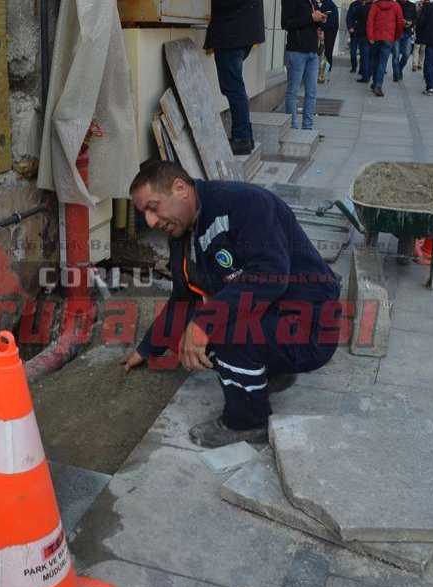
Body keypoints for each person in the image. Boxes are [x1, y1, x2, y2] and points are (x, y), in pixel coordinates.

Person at [123, 162, 341, 447]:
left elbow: (270, 276)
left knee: (219, 330)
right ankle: (269, 372)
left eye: (154, 207)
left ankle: (247, 423)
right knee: (191, 332)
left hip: (309, 327)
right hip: (277, 317)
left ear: (180, 188)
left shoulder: (245, 203)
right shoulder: (183, 234)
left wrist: (204, 323)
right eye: (144, 214)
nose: (150, 222)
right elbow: (183, 298)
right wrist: (147, 348)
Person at [205, 0, 266, 156]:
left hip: (231, 33)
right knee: (236, 87)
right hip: (242, 33)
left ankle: (241, 138)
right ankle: (246, 136)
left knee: (233, 88)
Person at [283, 0, 328, 129]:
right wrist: (311, 17)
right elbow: (286, 23)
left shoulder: (312, 1)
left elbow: (311, 23)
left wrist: (320, 20)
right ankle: (292, 127)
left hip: (312, 52)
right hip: (296, 51)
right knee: (293, 91)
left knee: (312, 92)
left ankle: (307, 127)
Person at [367, 0, 405, 96]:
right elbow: (400, 23)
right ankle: (378, 85)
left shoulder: (375, 5)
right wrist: (396, 36)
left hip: (375, 37)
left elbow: (370, 21)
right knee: (382, 63)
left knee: (375, 61)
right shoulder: (396, 6)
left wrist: (370, 36)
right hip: (388, 37)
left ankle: (375, 83)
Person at [392, 0, 418, 81]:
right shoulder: (394, 4)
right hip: (396, 33)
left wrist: (411, 23)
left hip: (407, 33)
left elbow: (415, 19)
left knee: (406, 54)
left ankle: (399, 69)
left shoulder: (412, 5)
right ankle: (396, 74)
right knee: (396, 55)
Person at [318, 0, 340, 82]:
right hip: (331, 31)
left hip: (328, 31)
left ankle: (325, 72)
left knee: (327, 51)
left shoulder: (327, 4)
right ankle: (326, 71)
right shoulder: (331, 4)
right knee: (328, 51)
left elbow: (325, 19)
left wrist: (321, 28)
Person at [355, 0, 375, 83]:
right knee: (371, 57)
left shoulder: (362, 8)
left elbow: (355, 14)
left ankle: (365, 77)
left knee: (364, 57)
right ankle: (369, 74)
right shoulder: (375, 8)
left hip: (363, 35)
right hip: (373, 35)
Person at [412, 0, 431, 71]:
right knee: (417, 48)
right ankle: (415, 64)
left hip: (423, 31)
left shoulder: (429, 6)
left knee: (422, 49)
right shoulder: (418, 4)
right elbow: (415, 16)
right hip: (420, 30)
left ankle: (419, 64)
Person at [347, 0, 365, 72]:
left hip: (363, 33)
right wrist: (350, 27)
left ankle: (361, 69)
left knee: (363, 53)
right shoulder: (353, 4)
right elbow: (349, 17)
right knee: (353, 52)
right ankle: (354, 67)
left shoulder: (367, 4)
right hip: (354, 32)